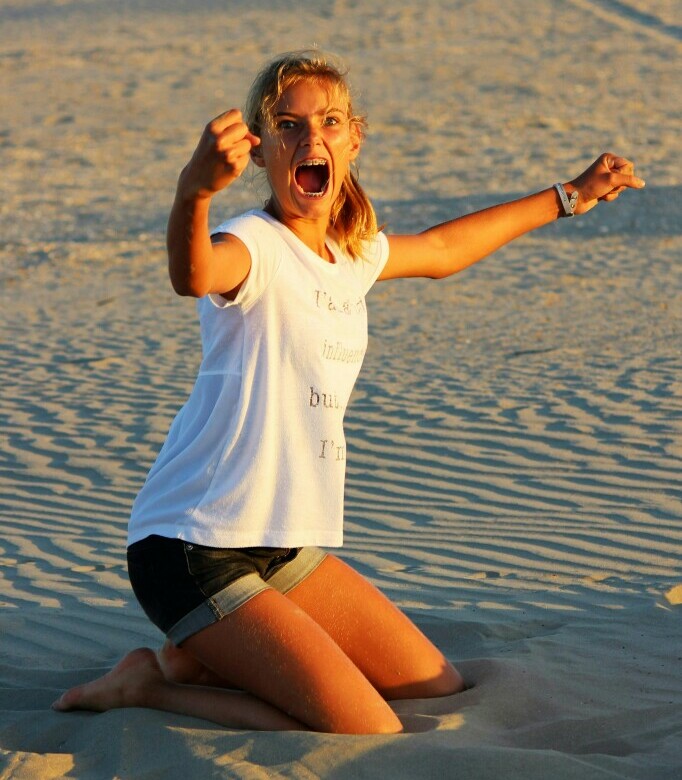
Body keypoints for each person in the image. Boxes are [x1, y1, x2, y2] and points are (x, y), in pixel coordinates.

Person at [52, 50, 645, 734]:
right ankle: (146, 685)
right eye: (289, 124)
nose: (312, 138)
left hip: (280, 543)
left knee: (435, 684)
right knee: (368, 727)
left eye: (330, 122)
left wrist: (569, 197)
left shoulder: (350, 253)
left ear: (353, 140)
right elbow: (194, 274)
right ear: (260, 148)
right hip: (192, 545)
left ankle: (201, 661)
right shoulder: (253, 244)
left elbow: (446, 250)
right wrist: (194, 190)